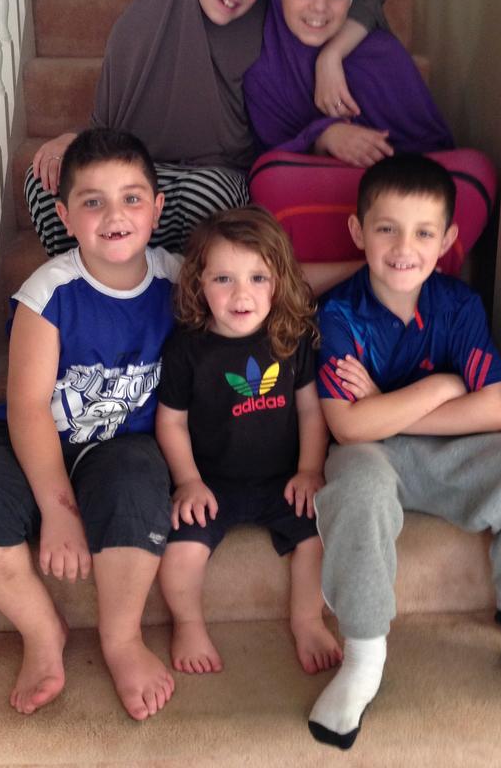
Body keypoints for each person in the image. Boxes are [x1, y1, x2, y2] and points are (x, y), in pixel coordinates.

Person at [307, 154, 501, 749]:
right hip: (372, 459)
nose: (403, 247)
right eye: (386, 228)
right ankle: (364, 656)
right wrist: (444, 385)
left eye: (423, 233)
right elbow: (347, 427)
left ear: (447, 241)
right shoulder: (338, 313)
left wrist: (391, 405)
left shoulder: (457, 304)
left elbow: (495, 409)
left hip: (450, 454)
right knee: (356, 485)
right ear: (357, 232)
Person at [0, 128, 182, 721]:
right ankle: (41, 630)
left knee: (139, 491)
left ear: (157, 209)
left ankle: (122, 639)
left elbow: (261, 286)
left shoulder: (179, 279)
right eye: (92, 201)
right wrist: (58, 511)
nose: (115, 215)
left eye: (132, 198)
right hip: (30, 438)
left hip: (120, 446)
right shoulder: (49, 291)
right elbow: (30, 407)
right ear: (64, 215)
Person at [25, 0, 378, 258]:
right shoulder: (141, 26)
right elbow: (107, 128)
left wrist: (331, 58)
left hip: (213, 177)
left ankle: (175, 293)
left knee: (211, 196)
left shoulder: (266, 26)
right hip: (132, 172)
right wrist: (73, 142)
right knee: (45, 185)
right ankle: (98, 286)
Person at [244, 0, 497, 275]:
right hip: (324, 187)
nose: (320, 6)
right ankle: (396, 275)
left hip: (398, 195)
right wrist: (324, 137)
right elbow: (272, 151)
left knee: (476, 170)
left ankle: (400, 274)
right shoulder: (264, 68)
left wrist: (381, 162)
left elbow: (432, 149)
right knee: (266, 179)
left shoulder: (380, 53)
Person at [155, 205, 342, 677]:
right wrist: (188, 481)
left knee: (316, 539)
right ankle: (189, 624)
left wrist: (309, 470)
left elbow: (309, 409)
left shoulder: (290, 337)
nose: (242, 294)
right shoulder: (187, 347)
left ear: (280, 281)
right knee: (179, 552)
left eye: (258, 278)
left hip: (283, 479)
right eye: (223, 279)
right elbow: (171, 422)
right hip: (212, 482)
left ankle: (306, 620)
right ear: (198, 283)